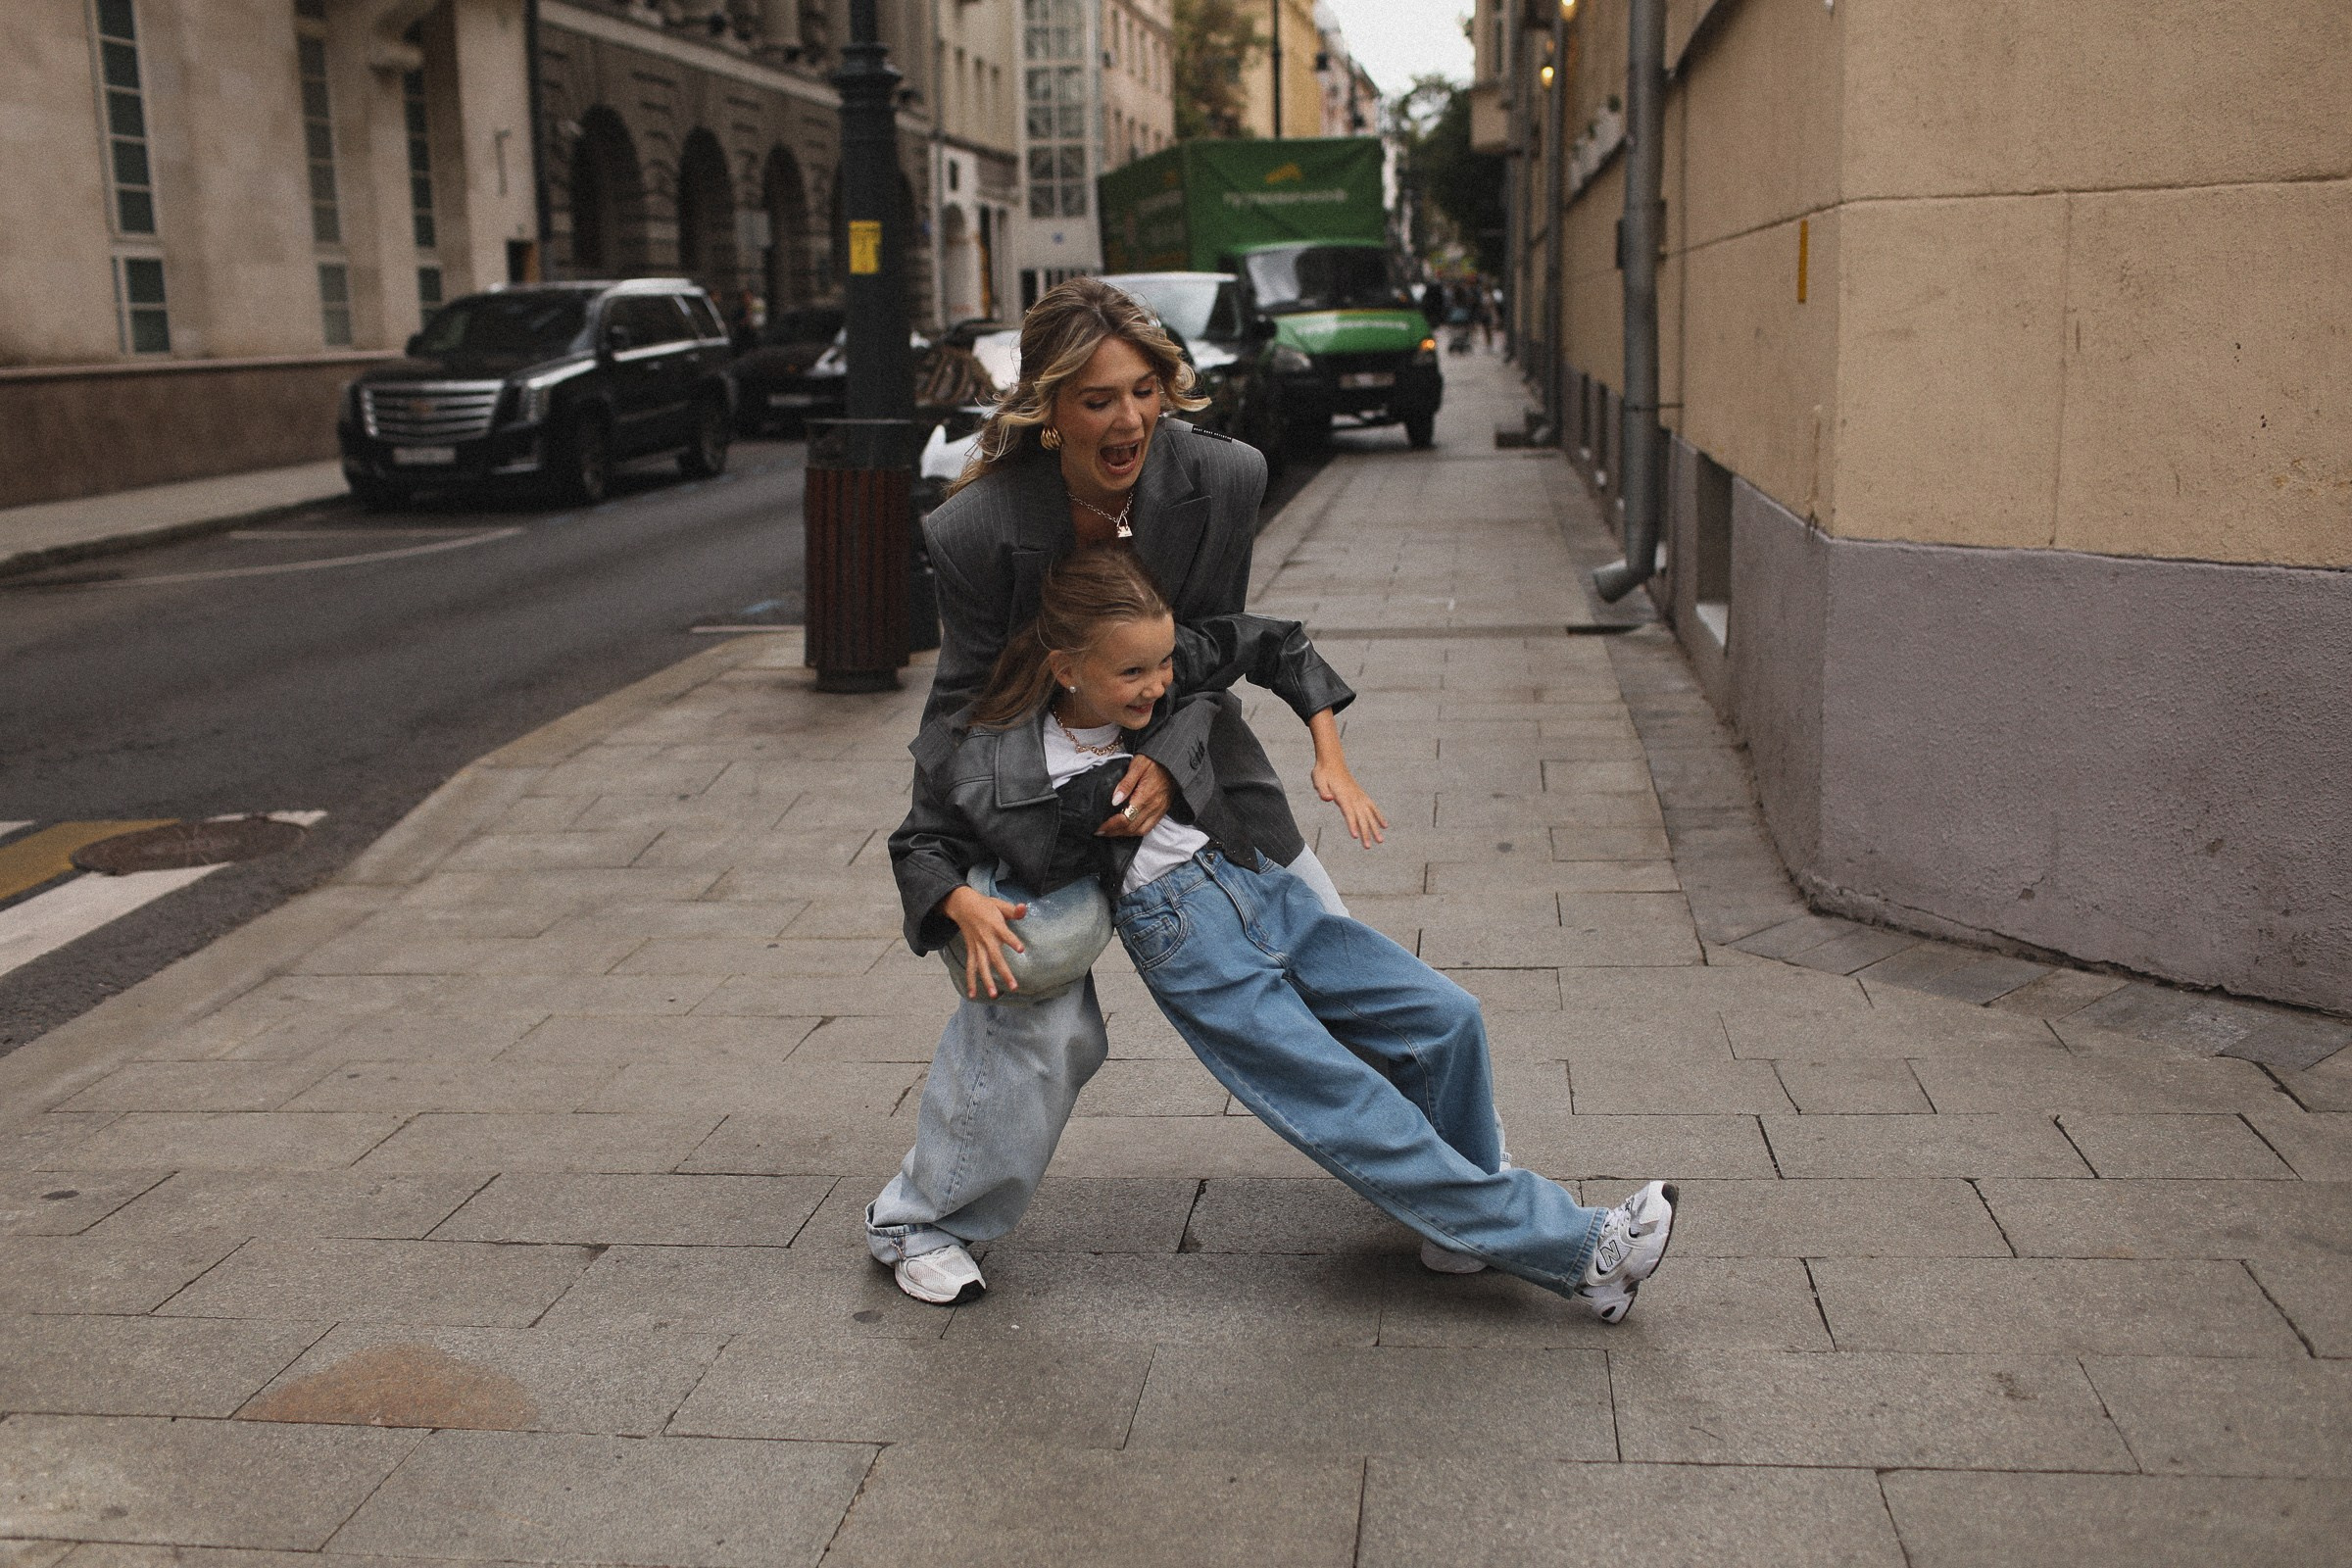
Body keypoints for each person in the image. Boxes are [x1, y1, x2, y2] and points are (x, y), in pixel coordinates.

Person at [894, 549, 1681, 1320]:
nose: (1158, 684)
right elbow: (920, 844)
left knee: (1445, 1018)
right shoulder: (991, 751)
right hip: (1184, 944)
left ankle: (1460, 1232)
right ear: (1066, 668)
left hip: (1258, 884)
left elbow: (1276, 641)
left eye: (1164, 663)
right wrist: (959, 903)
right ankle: (1582, 1252)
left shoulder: (1162, 676)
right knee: (1348, 1105)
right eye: (1133, 673)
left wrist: (1328, 755)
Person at [864, 276, 1383, 1303]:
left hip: (1192, 764)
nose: (1130, 418)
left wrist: (1167, 759)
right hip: (1047, 795)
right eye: (1098, 398)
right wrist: (945, 870)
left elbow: (1208, 658)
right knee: (1035, 1009)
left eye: (1145, 390)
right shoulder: (977, 533)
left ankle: (1455, 1176)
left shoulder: (1223, 478)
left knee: (1330, 958)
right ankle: (919, 1221)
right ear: (1049, 411)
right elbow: (963, 712)